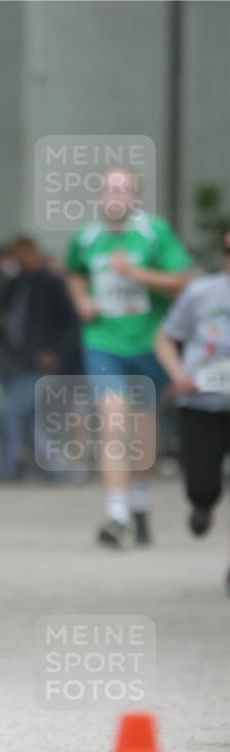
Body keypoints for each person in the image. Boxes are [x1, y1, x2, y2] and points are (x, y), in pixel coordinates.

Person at [66, 168, 191, 547]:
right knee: (113, 422)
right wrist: (82, 300)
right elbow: (74, 273)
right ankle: (117, 516)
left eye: (123, 189)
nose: (115, 195)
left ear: (135, 198)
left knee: (142, 437)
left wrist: (136, 273)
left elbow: (182, 280)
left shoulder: (154, 232)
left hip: (149, 344)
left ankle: (139, 505)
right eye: (109, 189)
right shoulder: (87, 237)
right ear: (100, 197)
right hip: (103, 342)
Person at [155, 230, 230, 590]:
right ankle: (203, 503)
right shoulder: (200, 292)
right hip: (201, 403)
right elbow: (165, 338)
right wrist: (178, 375)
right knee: (201, 485)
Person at [0, 235, 79, 479]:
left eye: (22, 254)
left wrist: (54, 351)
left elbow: (70, 322)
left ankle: (11, 466)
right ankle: (51, 469)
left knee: (12, 411)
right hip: (18, 358)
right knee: (33, 417)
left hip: (40, 361)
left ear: (33, 252)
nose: (19, 259)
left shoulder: (51, 282)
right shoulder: (15, 283)